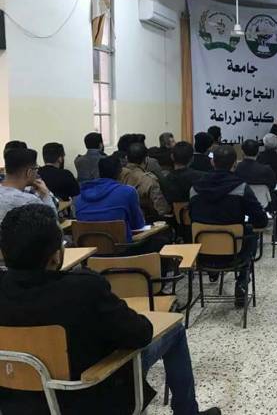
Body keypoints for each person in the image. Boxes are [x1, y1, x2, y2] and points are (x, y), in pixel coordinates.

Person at [0, 204, 221, 415]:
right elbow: (140, 334)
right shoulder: (83, 289)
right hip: (90, 397)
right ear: (56, 255)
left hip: (17, 404)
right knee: (175, 331)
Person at [189, 145, 268, 306]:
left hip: (202, 254)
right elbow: (260, 220)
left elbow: (192, 217)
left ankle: (212, 272)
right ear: (234, 164)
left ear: (212, 162)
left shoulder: (194, 188)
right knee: (249, 232)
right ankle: (242, 281)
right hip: (235, 255)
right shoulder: (241, 188)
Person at [75, 156, 146, 243]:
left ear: (99, 172)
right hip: (123, 248)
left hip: (88, 249)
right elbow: (137, 225)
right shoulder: (128, 192)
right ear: (120, 172)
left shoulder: (79, 198)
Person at [0, 148, 57, 223]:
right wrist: (45, 195)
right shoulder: (30, 201)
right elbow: (53, 224)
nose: (37, 172)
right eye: (36, 168)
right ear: (29, 172)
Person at [119, 142, 171, 223]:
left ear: (126, 158)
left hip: (119, 220)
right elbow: (162, 209)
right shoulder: (149, 180)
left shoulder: (117, 175)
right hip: (143, 223)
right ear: (146, 159)